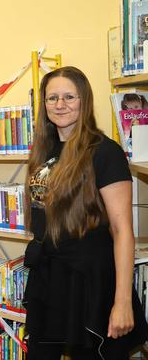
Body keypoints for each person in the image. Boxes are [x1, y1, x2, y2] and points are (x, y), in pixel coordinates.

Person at [23, 66, 148, 359]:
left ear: (85, 101)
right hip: (49, 277)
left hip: (89, 281)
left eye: (69, 96)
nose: (60, 104)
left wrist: (122, 302)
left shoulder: (106, 152)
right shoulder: (45, 148)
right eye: (52, 97)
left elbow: (121, 231)